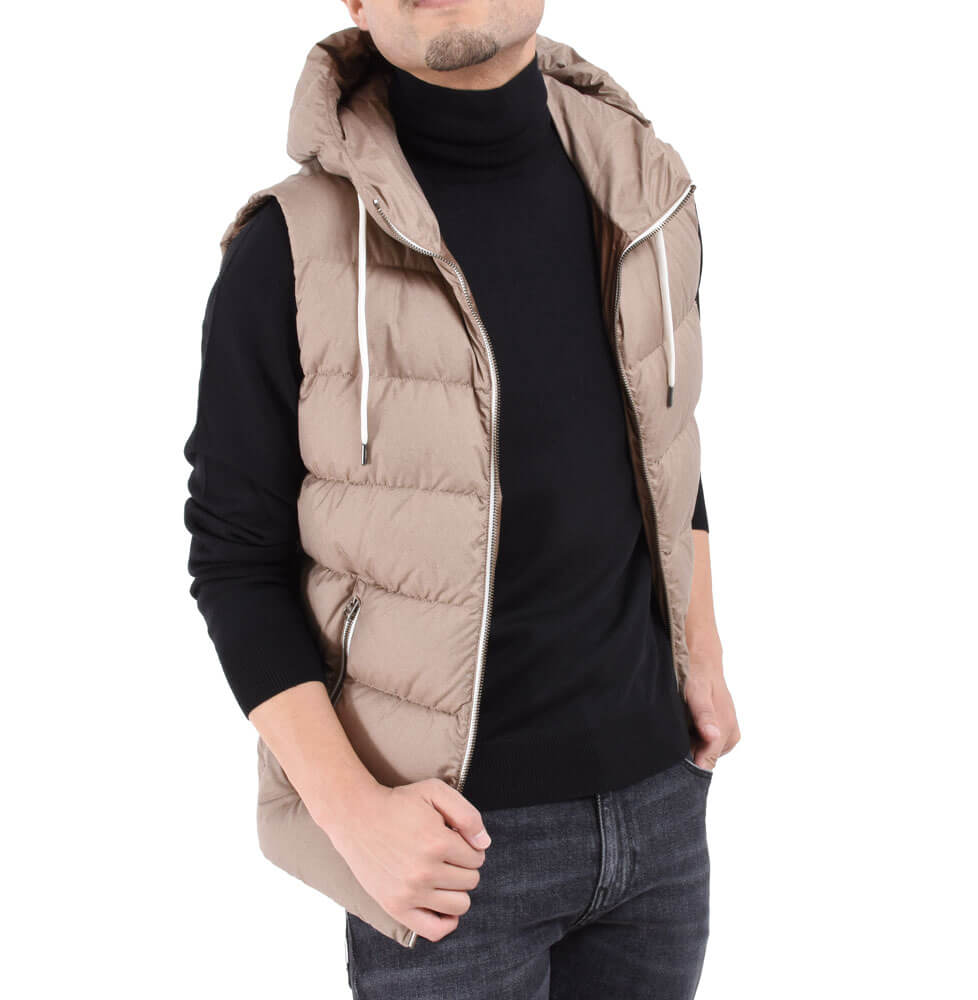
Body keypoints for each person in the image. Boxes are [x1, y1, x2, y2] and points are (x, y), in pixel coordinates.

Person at [183, 3, 739, 996]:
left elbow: (668, 439)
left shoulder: (647, 191)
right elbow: (234, 556)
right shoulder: (291, 248)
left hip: (659, 813)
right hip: (447, 851)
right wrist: (353, 813)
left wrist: (704, 650)